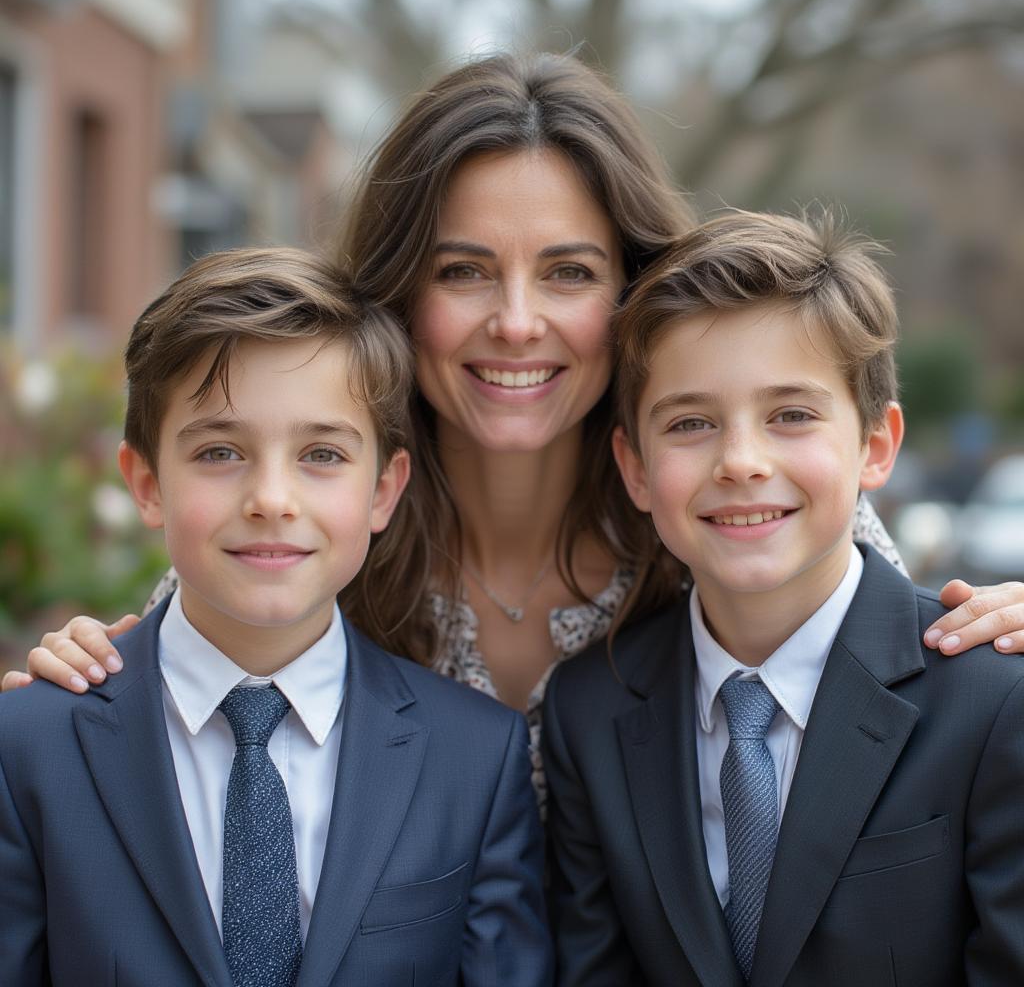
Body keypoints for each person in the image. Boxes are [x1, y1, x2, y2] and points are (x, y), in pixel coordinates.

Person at [6, 55, 1024, 815]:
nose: (518, 321)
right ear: (399, 293)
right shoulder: (321, 514)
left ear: (633, 296)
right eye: (462, 271)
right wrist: (83, 673)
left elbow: (905, 657)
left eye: (571, 272)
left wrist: (999, 632)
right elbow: (156, 692)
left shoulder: (714, 503)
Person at [0, 249, 552, 987]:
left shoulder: (474, 759)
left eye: (321, 454)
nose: (272, 498)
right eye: (221, 451)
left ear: (383, 490)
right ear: (146, 483)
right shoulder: (29, 749)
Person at [542, 210, 1024, 985]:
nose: (741, 460)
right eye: (691, 422)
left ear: (875, 446)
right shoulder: (590, 710)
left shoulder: (992, 692)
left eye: (791, 415)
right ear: (634, 468)